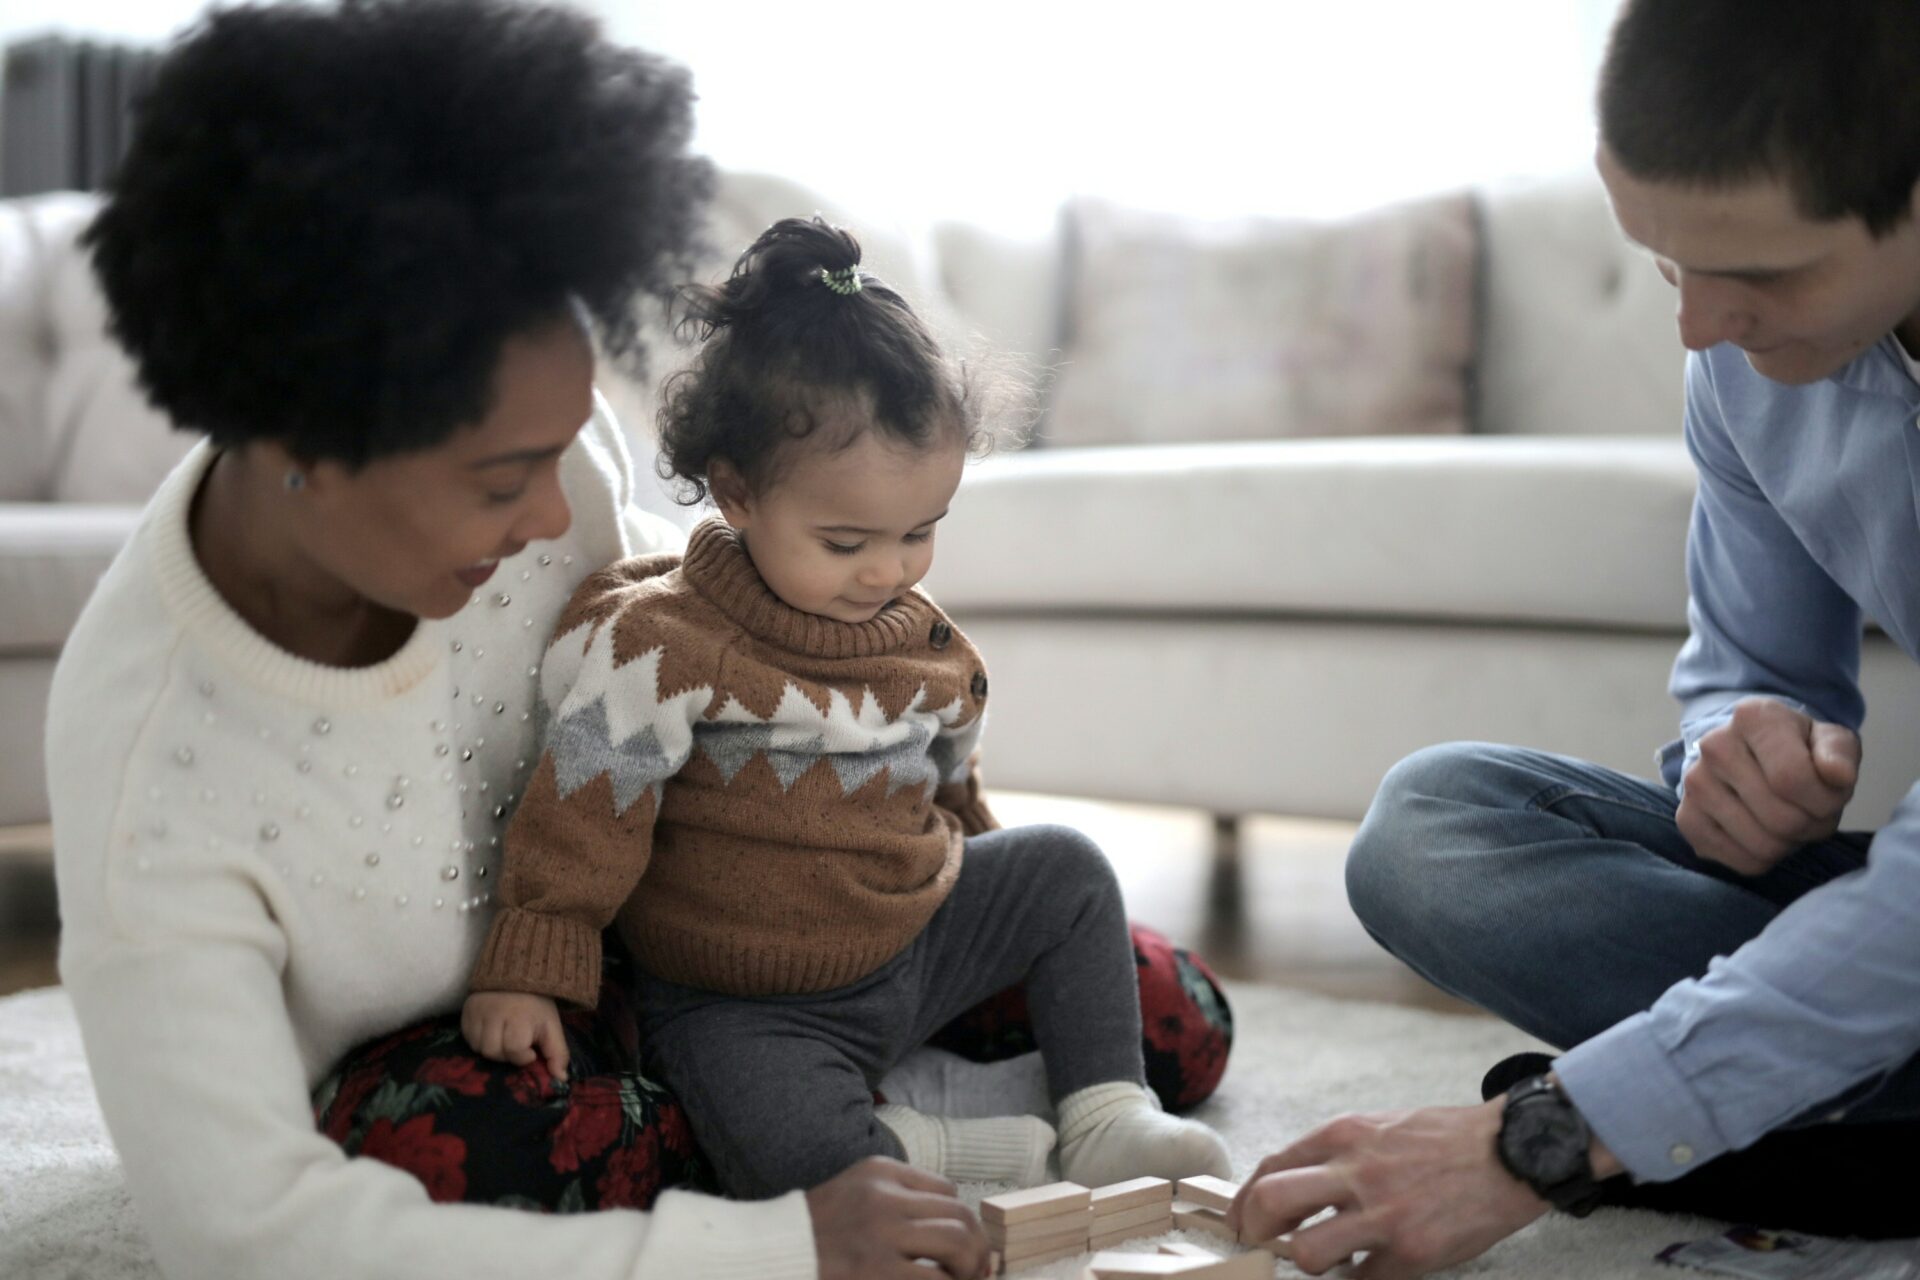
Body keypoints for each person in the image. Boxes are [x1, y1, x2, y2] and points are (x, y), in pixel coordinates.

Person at [1228, 1, 1920, 1274]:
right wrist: (1735, 746)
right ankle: (1815, 1094)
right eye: (1664, 264)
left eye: (1762, 276)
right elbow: (1750, 665)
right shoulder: (1738, 364)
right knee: (1434, 824)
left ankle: (1784, 1103)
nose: (1698, 328)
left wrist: (1547, 1132)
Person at [460, 215, 1236, 1200]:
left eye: (920, 531)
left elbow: (953, 774)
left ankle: (1101, 1114)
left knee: (1069, 868)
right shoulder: (661, 645)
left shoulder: (921, 638)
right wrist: (532, 961)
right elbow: (581, 813)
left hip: (912, 940)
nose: (888, 570)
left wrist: (979, 864)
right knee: (788, 1160)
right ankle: (923, 1137)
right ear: (736, 495)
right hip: (744, 1001)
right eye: (844, 541)